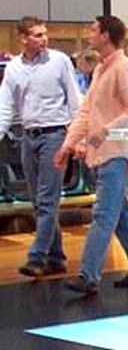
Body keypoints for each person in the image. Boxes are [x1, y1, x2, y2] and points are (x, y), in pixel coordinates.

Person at [54, 15, 128, 295]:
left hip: (116, 153)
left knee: (104, 214)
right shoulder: (101, 70)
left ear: (106, 35)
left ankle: (88, 275)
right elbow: (86, 112)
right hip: (103, 153)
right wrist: (69, 143)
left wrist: (105, 131)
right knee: (119, 214)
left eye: (93, 30)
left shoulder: (124, 68)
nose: (89, 35)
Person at [0, 16, 81, 277]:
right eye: (37, 35)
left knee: (47, 200)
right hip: (28, 136)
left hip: (54, 135)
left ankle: (36, 257)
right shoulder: (14, 68)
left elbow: (74, 100)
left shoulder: (59, 61)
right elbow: (6, 106)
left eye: (44, 33)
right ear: (23, 38)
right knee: (38, 202)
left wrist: (76, 137)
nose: (44, 39)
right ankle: (56, 257)